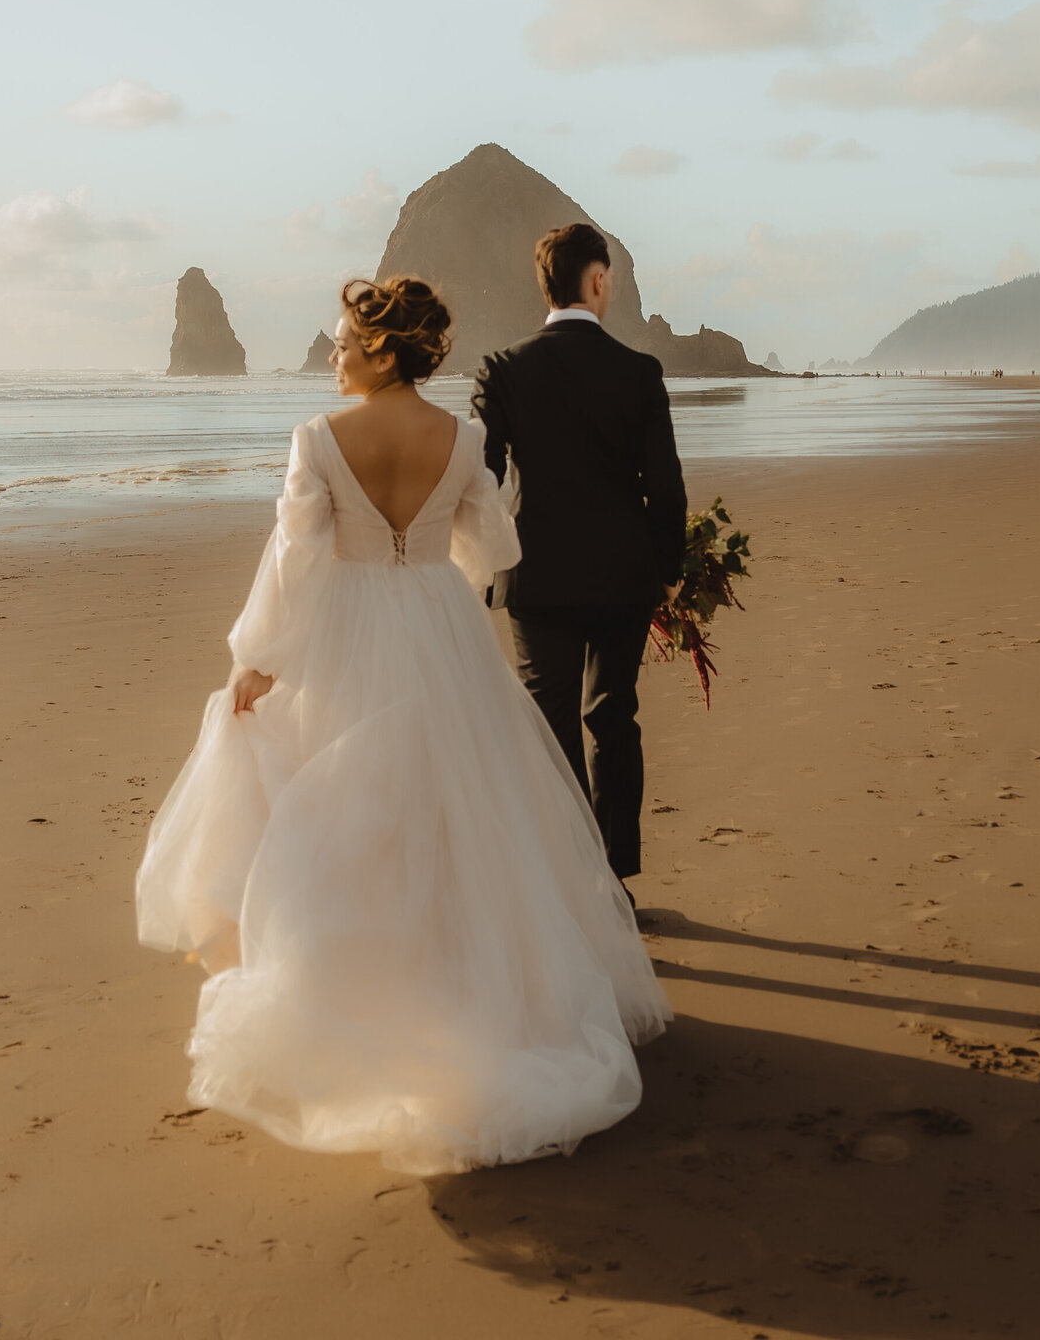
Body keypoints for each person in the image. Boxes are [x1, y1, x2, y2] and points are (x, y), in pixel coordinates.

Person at [136, 276, 669, 1176]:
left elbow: (295, 561)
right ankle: (469, 1004)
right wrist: (428, 555)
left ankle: (368, 1012)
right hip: (437, 626)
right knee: (456, 815)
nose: (336, 350)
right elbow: (494, 548)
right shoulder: (462, 439)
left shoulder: (317, 439)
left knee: (349, 820)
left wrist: (256, 660)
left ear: (384, 349)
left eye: (345, 339)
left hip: (347, 634)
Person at [471, 225, 690, 900]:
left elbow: (480, 477)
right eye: (611, 275)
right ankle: (614, 876)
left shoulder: (502, 370)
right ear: (595, 281)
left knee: (551, 721)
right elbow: (666, 483)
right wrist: (671, 569)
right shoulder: (640, 373)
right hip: (624, 575)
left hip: (535, 575)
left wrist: (482, 561)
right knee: (613, 716)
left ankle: (571, 876)